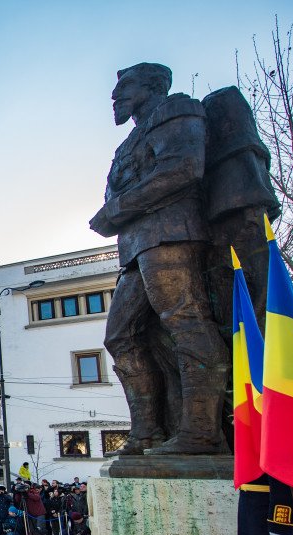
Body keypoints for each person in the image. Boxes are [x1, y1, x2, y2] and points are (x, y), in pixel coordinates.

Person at [90, 62, 227, 455]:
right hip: (136, 248)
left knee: (187, 321)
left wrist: (116, 210)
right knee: (121, 335)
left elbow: (182, 169)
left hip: (172, 232)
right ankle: (148, 432)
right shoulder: (128, 142)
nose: (116, 96)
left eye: (126, 86)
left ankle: (201, 431)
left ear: (152, 86)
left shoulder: (175, 110)